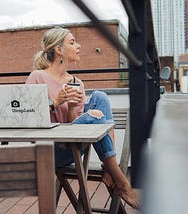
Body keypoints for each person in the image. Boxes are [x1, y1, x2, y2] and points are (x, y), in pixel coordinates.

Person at [25, 26, 140, 209]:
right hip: (51, 150)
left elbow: (75, 126)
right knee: (93, 117)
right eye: (72, 42)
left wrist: (71, 107)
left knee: (100, 97)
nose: (78, 46)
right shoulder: (37, 77)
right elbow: (27, 117)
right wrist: (54, 102)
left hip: (75, 147)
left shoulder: (76, 83)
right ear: (59, 49)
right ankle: (120, 181)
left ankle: (110, 170)